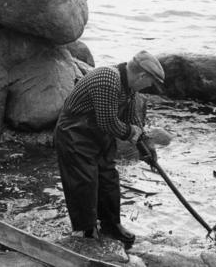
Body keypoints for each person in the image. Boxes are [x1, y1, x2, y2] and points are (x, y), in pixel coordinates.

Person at [54, 50, 165, 247]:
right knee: (84, 182)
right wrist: (131, 133)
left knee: (108, 178)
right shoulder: (108, 78)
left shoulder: (130, 88)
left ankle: (111, 224)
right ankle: (85, 231)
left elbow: (132, 121)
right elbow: (107, 122)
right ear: (141, 76)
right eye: (150, 82)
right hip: (74, 134)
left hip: (99, 137)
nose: (150, 87)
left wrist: (145, 146)